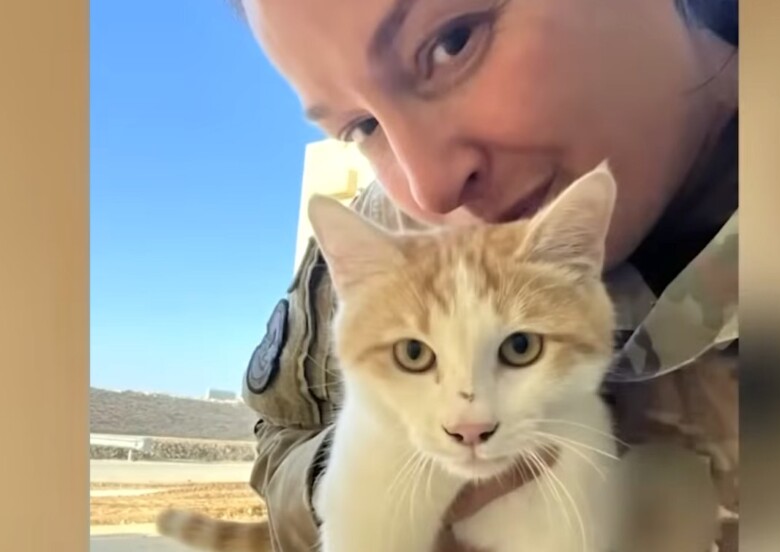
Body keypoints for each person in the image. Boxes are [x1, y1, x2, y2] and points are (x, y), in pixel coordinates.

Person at [236, 0, 738, 550]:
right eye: (362, 126)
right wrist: (358, 494)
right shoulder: (384, 234)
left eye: (453, 42)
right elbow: (281, 433)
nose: (428, 189)